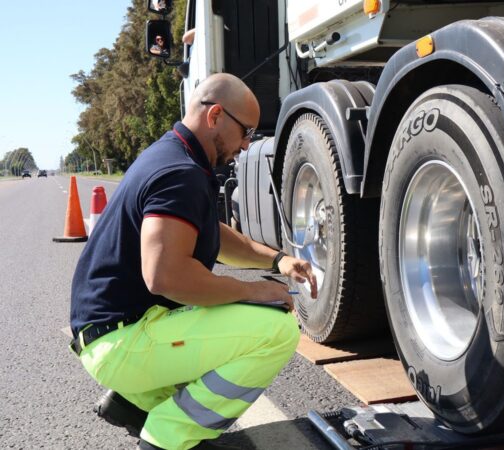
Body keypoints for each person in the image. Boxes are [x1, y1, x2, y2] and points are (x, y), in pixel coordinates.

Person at [69, 73, 318, 450]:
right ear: (216, 115)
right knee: (277, 330)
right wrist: (251, 292)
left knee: (232, 318)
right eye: (246, 132)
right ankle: (169, 435)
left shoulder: (175, 156)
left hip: (115, 332)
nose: (248, 145)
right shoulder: (179, 173)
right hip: (120, 341)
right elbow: (166, 276)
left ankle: (135, 404)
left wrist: (279, 260)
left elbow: (208, 234)